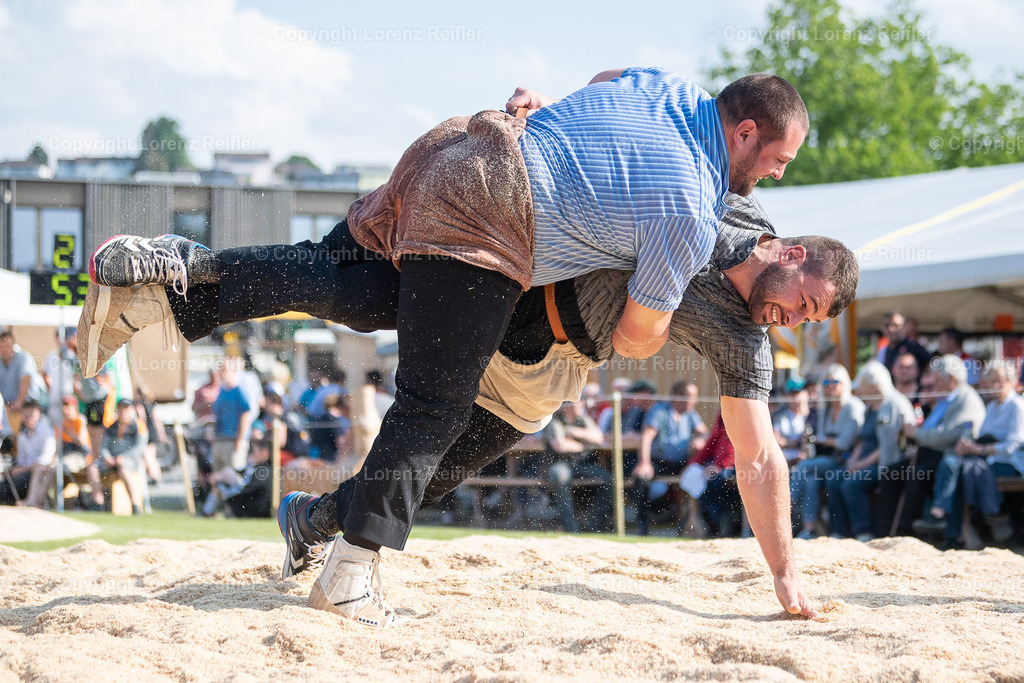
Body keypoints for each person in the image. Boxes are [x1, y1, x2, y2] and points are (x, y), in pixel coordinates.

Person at [80, 185, 855, 624]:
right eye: (806, 301)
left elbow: (756, 455)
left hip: (551, 363)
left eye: (811, 321)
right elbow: (645, 133)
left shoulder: (746, 341)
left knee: (435, 468)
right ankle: (184, 270)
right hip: (514, 278)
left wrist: (785, 579)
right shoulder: (734, 208)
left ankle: (315, 520)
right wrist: (547, 111)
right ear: (789, 252)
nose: (796, 321)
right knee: (346, 290)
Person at [926, 361, 1024, 543]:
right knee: (952, 463)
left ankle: (952, 524)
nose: (995, 386)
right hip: (988, 460)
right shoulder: (991, 408)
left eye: (1000, 381)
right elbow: (981, 437)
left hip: (1011, 463)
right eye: (991, 381)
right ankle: (957, 529)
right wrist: (968, 445)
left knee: (959, 469)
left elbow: (1013, 446)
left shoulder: (1017, 406)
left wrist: (979, 449)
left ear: (1011, 382)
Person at [899, 356, 986, 544]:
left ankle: (929, 522)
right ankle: (910, 526)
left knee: (919, 473)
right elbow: (932, 430)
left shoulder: (965, 399)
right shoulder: (948, 399)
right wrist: (918, 433)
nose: (934, 383)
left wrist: (917, 433)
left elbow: (947, 436)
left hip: (960, 456)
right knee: (902, 471)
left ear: (951, 380)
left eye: (937, 380)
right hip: (942, 453)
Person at [826, 361, 916, 541]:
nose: (859, 389)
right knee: (833, 479)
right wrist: (853, 460)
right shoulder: (869, 407)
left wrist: (860, 464)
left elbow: (889, 445)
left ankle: (864, 531)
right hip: (864, 461)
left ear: (874, 385)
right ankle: (841, 531)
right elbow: (862, 439)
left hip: (887, 464)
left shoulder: (894, 404)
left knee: (852, 484)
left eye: (863, 385)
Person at [789, 365, 864, 539]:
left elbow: (845, 443)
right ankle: (809, 529)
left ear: (844, 383)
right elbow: (823, 438)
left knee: (804, 466)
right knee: (811, 480)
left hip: (847, 461)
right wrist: (822, 440)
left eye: (835, 382)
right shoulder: (826, 407)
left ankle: (787, 505)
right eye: (827, 382)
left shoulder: (853, 406)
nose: (831, 386)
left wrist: (821, 440)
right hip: (828, 460)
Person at [632, 380, 708, 535]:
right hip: (658, 462)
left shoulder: (691, 414)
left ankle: (692, 523)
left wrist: (700, 440)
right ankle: (642, 526)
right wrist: (644, 463)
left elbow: (704, 433)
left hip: (682, 463)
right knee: (642, 478)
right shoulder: (659, 411)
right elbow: (646, 437)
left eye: (694, 397)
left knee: (700, 476)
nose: (694, 401)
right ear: (677, 397)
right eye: (690, 397)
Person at [542, 399, 612, 533]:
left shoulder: (583, 419)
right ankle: (571, 528)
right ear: (566, 406)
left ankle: (591, 525)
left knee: (609, 480)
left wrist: (574, 432)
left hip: (581, 464)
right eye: (577, 402)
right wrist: (584, 445)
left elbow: (598, 438)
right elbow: (560, 445)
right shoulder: (555, 420)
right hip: (560, 463)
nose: (580, 405)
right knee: (559, 476)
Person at [688, 413, 741, 537]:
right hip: (721, 466)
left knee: (715, 482)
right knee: (700, 482)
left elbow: (738, 443)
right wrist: (694, 463)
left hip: (737, 466)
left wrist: (719, 465)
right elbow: (713, 442)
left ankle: (724, 522)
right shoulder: (723, 413)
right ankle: (715, 523)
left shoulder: (740, 410)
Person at [210, 357, 255, 487]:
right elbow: (216, 415)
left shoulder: (240, 390)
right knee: (218, 476)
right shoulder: (221, 391)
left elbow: (245, 416)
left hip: (233, 440)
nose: (222, 372)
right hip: (220, 439)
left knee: (233, 476)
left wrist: (239, 440)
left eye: (225, 369)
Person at [98, 398, 147, 515]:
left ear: (132, 410)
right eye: (120, 409)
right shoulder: (112, 426)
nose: (123, 412)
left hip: (130, 461)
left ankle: (135, 505)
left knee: (124, 470)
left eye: (126, 409)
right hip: (112, 460)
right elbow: (104, 446)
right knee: (93, 468)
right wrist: (107, 457)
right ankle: (97, 504)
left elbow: (140, 448)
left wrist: (124, 457)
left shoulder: (138, 425)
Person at [0, 401, 55, 505]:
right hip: (23, 473)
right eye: (25, 416)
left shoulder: (47, 432)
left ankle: (32, 502)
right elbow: (21, 459)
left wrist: (20, 470)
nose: (29, 419)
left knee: (37, 471)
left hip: (37, 472)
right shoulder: (22, 435)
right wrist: (14, 470)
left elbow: (44, 460)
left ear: (38, 414)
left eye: (31, 415)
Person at [0, 328, 46, 434]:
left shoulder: (24, 358)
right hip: (6, 407)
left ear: (13, 345)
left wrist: (19, 402)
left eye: (7, 346)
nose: (5, 350)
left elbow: (25, 380)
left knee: (26, 434)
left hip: (27, 403)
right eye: (1, 347)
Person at [772, 385, 811, 464]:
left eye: (798, 395)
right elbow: (776, 439)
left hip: (803, 457)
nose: (796, 399)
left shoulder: (810, 417)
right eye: (792, 395)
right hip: (783, 455)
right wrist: (794, 443)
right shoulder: (779, 415)